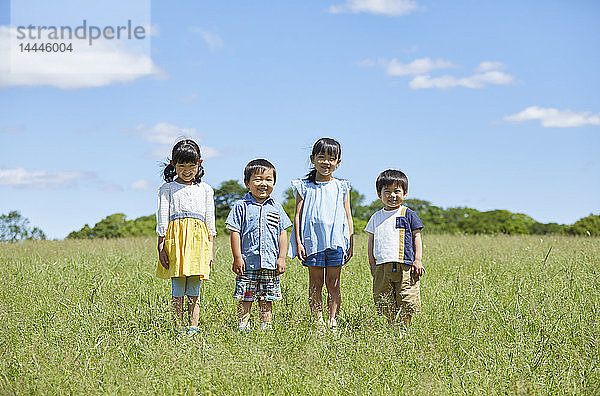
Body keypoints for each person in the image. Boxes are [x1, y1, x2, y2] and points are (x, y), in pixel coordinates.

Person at [289, 138, 353, 332]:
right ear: (313, 159)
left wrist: (351, 242)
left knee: (333, 284)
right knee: (315, 283)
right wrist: (299, 242)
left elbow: (348, 215)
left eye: (331, 158)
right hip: (312, 242)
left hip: (336, 241)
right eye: (321, 157)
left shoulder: (342, 187)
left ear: (338, 162)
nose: (326, 162)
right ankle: (318, 320)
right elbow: (298, 215)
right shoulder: (304, 186)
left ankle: (332, 320)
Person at [156, 139, 216, 335]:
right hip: (176, 240)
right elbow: (162, 216)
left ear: (200, 163)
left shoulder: (206, 189)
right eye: (182, 165)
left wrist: (210, 249)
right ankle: (177, 327)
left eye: (192, 165)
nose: (187, 170)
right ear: (174, 164)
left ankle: (193, 327)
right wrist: (161, 245)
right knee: (178, 286)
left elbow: (210, 220)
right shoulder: (168, 189)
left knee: (194, 287)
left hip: (199, 243)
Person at [226, 159, 292, 332]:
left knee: (267, 298)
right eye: (258, 179)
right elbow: (235, 232)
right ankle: (243, 326)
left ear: (274, 183)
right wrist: (237, 257)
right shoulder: (241, 206)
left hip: (270, 262)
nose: (263, 184)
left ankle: (266, 328)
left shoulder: (277, 207)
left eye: (268, 179)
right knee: (245, 296)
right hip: (248, 262)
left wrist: (282, 258)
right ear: (247, 183)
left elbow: (282, 233)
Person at [365, 169, 424, 334]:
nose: (392, 195)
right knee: (384, 298)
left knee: (407, 297)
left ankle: (405, 329)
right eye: (387, 192)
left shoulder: (409, 214)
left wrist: (417, 260)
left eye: (397, 191)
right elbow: (371, 242)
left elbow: (416, 237)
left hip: (405, 265)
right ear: (379, 194)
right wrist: (372, 264)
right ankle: (392, 328)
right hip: (382, 266)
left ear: (405, 193)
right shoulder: (376, 217)